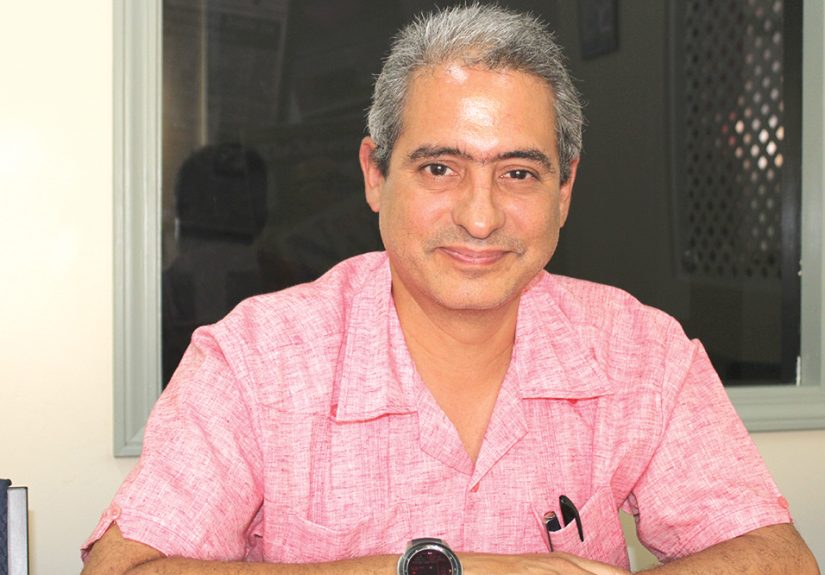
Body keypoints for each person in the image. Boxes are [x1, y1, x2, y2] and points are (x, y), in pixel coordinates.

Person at [81, 4, 820, 574]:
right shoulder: (255, 362)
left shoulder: (639, 352)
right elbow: (123, 568)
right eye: (440, 168)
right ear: (375, 174)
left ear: (564, 190)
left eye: (518, 173)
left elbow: (775, 557)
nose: (480, 216)